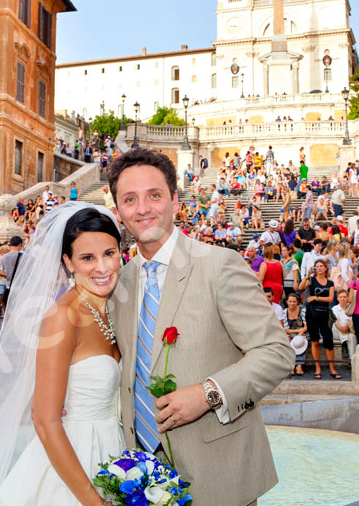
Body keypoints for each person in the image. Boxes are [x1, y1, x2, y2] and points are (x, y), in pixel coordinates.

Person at [106, 149, 292, 505]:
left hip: (219, 478)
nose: (142, 208)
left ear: (175, 200)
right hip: (138, 481)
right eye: (130, 199)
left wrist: (208, 394)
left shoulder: (220, 265)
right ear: (119, 211)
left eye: (154, 195)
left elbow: (276, 352)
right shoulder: (118, 285)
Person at [298, 259, 339, 379]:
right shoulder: (311, 280)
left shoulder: (330, 283)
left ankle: (332, 368)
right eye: (317, 266)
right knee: (315, 341)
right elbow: (300, 287)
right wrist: (307, 274)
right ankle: (318, 368)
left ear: (326, 268)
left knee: (328, 341)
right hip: (311, 314)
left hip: (324, 314)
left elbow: (331, 299)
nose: (319, 268)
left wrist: (316, 297)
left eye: (322, 266)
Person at [283, 293, 307, 376]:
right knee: (287, 341)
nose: (292, 303)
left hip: (302, 333)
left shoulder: (303, 310)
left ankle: (299, 365)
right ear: (287, 302)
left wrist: (300, 332)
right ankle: (292, 365)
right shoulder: (284, 312)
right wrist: (297, 331)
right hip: (291, 332)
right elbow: (285, 330)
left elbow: (306, 326)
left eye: (294, 301)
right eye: (290, 301)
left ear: (297, 302)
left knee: (300, 341)